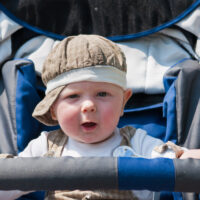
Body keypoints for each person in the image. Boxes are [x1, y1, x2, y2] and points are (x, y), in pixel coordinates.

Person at [0, 34, 200, 200]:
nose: (88, 106)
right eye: (73, 96)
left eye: (102, 94)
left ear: (123, 102)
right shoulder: (44, 147)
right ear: (53, 109)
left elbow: (181, 162)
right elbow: (8, 186)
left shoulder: (137, 143)